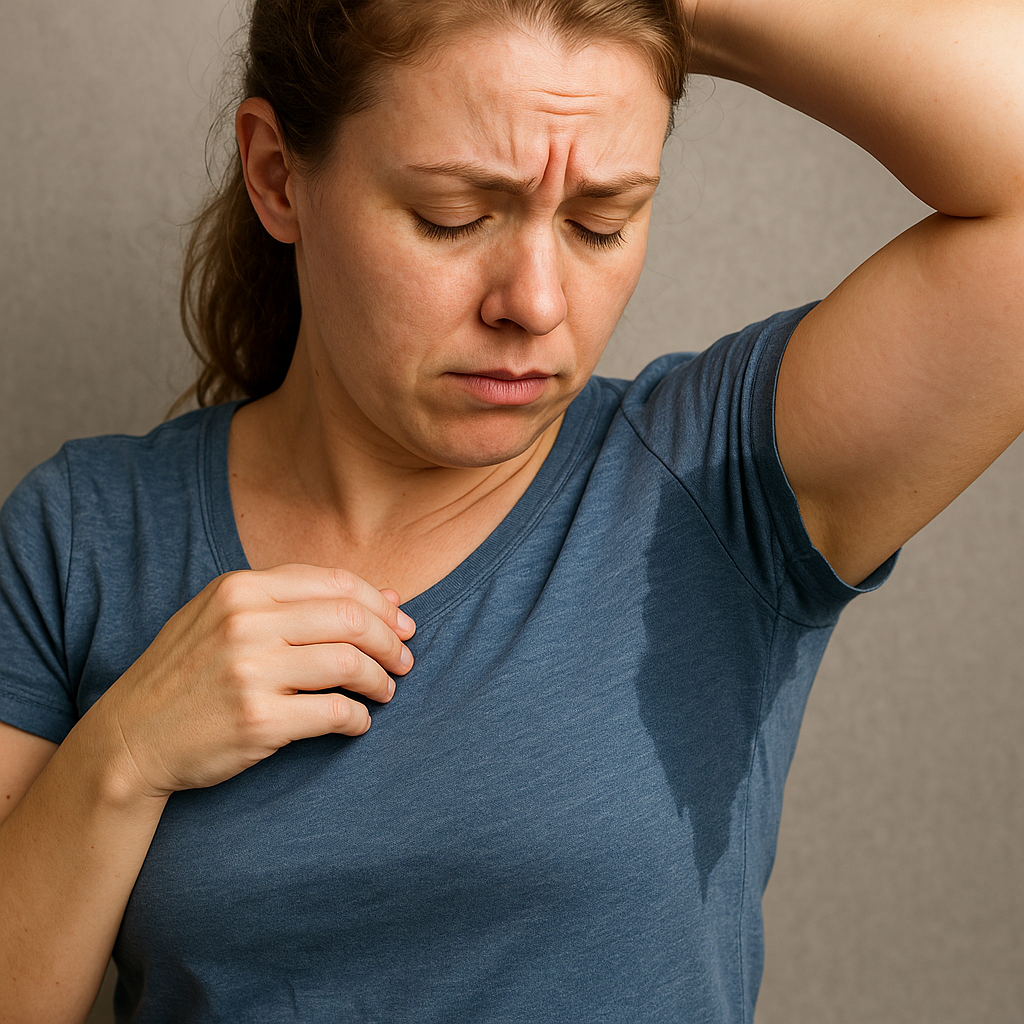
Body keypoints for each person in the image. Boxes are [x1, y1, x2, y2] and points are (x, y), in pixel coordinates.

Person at [1, 0, 1021, 1020]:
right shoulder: (82, 537)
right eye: (455, 216)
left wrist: (673, 5)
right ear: (277, 174)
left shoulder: (715, 482)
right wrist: (120, 759)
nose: (533, 301)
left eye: (599, 222)